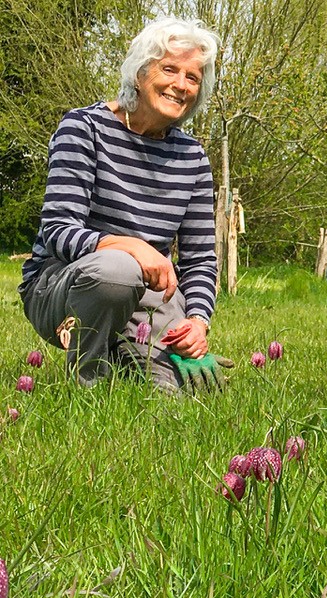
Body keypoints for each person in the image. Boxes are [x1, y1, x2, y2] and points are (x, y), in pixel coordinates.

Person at [19, 17, 229, 392]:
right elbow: (58, 232)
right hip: (64, 283)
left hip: (149, 292)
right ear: (139, 73)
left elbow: (200, 259)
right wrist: (132, 247)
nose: (180, 85)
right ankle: (89, 385)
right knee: (118, 270)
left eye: (192, 77)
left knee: (183, 392)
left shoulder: (193, 157)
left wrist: (197, 321)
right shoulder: (83, 129)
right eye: (169, 69)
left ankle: (128, 352)